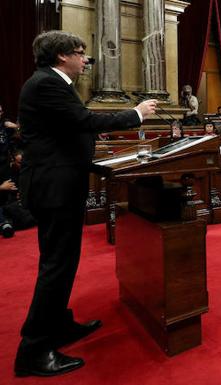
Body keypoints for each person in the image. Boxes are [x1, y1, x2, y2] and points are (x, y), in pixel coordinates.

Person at [14, 30, 157, 377]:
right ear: (63, 55)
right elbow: (85, 121)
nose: (85, 60)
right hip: (54, 187)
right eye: (81, 53)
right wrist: (135, 114)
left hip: (60, 183)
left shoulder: (52, 82)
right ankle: (33, 349)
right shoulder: (47, 84)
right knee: (57, 265)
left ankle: (58, 325)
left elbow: (71, 130)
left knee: (62, 261)